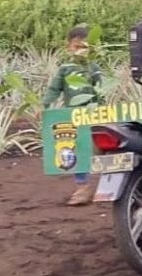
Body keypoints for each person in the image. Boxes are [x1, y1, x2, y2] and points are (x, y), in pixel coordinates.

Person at [43, 26, 102, 206]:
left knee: (100, 151)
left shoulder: (94, 69)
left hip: (93, 116)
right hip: (73, 118)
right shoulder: (65, 69)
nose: (80, 51)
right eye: (77, 47)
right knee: (77, 151)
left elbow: (101, 91)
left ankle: (105, 186)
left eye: (84, 47)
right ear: (68, 46)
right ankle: (82, 187)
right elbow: (54, 89)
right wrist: (43, 105)